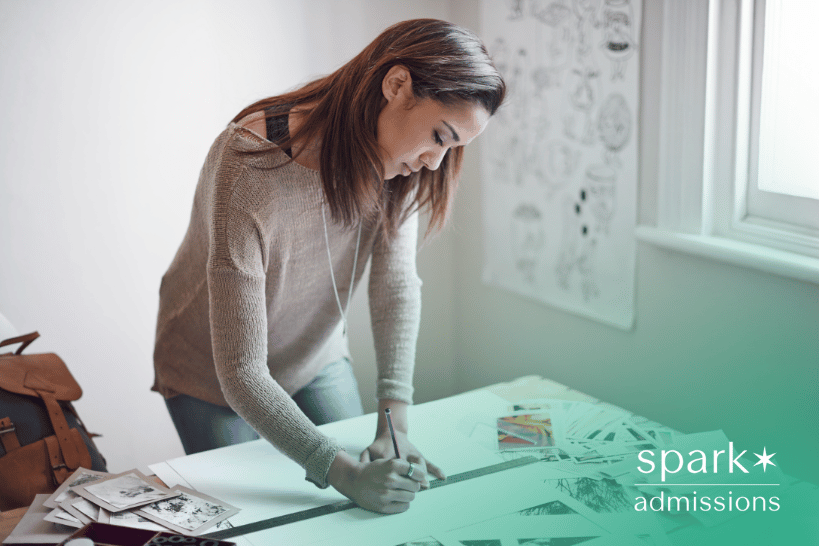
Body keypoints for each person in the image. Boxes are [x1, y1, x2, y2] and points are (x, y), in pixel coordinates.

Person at [152, 18, 505, 514]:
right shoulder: (251, 164)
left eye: (452, 149)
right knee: (257, 518)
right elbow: (242, 370)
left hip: (314, 353)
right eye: (439, 136)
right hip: (209, 371)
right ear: (397, 85)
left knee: (358, 503)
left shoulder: (397, 165)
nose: (434, 162)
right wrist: (343, 473)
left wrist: (394, 426)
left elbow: (396, 287)